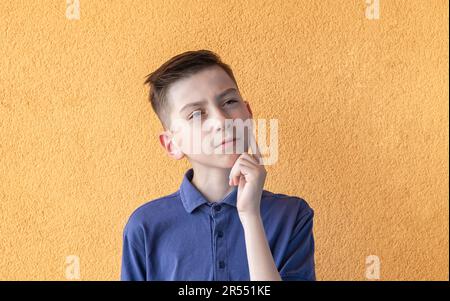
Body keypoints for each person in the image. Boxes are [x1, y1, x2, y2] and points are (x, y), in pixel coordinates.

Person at [120, 50, 315, 281]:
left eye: (230, 102)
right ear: (171, 144)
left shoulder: (291, 215)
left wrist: (251, 216)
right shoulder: (145, 226)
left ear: (248, 113)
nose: (222, 121)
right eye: (195, 114)